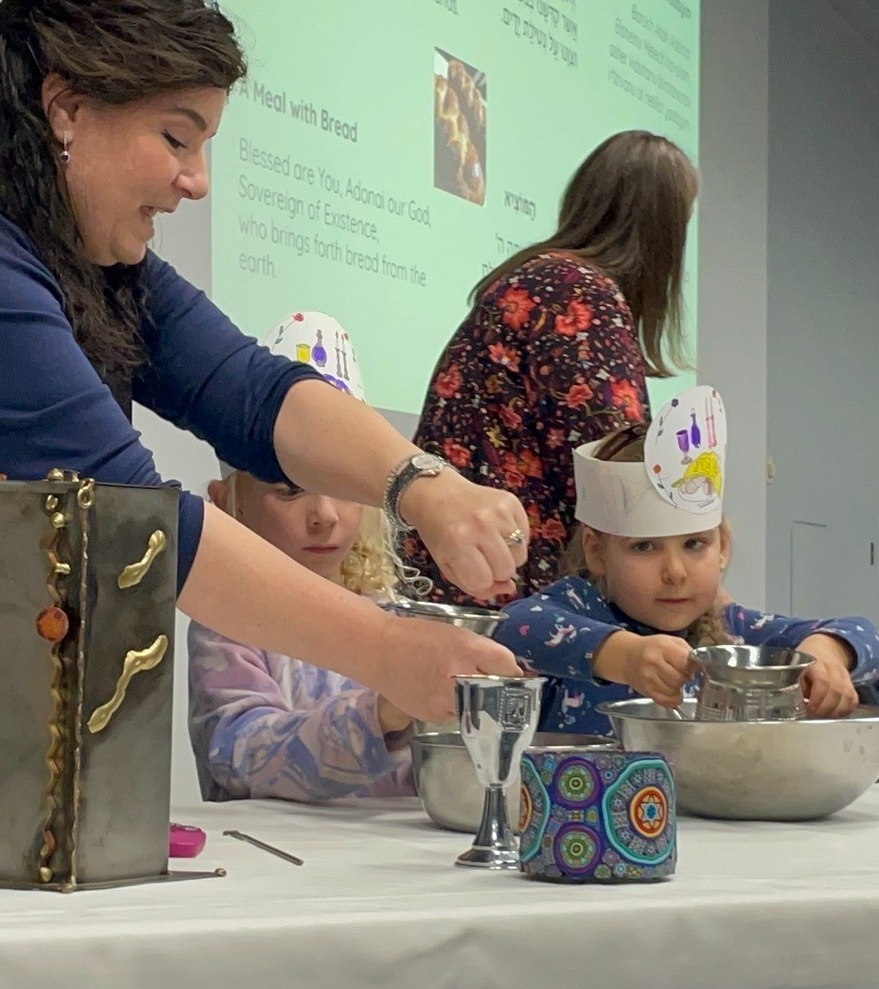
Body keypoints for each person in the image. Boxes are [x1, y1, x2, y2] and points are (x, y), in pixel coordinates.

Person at [0, 0, 532, 727]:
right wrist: (387, 652)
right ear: (66, 108)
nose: (198, 180)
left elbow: (246, 389)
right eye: (177, 138)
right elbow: (126, 514)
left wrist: (424, 485)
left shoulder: (79, 249)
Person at [405, 129, 698, 604]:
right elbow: (615, 470)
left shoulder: (536, 278)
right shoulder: (581, 293)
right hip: (502, 578)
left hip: (466, 560)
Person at [494, 387, 877, 737]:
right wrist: (624, 657)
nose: (675, 572)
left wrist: (828, 653)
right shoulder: (581, 605)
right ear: (597, 552)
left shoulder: (734, 631)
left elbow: (863, 632)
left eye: (694, 544)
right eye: (644, 547)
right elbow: (515, 626)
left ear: (722, 546)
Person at [190, 312, 416, 801]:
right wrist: (380, 715)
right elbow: (241, 755)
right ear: (227, 501)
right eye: (289, 492)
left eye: (344, 490)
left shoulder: (389, 610)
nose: (325, 516)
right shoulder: (227, 620)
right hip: (271, 863)